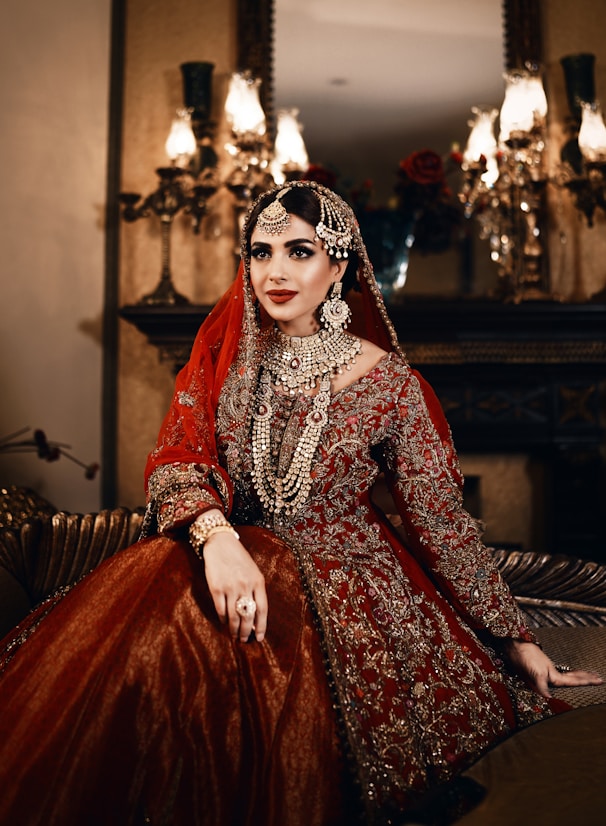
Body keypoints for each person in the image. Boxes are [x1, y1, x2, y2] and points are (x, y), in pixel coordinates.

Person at [0, 181, 601, 826]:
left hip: (350, 585)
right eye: (261, 252)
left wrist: (514, 638)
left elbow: (441, 521)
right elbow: (178, 461)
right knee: (142, 658)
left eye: (299, 251)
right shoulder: (224, 362)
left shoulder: (392, 384)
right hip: (225, 558)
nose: (275, 271)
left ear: (339, 267)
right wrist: (218, 539)